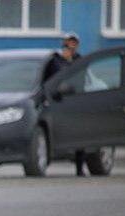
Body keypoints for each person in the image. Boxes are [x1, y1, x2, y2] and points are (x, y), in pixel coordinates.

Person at [44, 32, 86, 176]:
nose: (71, 45)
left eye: (74, 42)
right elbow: (49, 81)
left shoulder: (79, 60)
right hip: (58, 102)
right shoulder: (55, 60)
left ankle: (79, 168)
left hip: (75, 102)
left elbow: (81, 80)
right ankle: (45, 164)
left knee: (80, 136)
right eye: (69, 42)